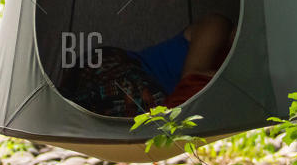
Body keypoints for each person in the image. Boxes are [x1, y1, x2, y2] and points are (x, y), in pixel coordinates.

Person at [59, 13, 235, 117]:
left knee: (139, 118)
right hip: (111, 65)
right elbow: (193, 80)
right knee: (146, 111)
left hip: (148, 94)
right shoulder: (217, 25)